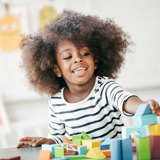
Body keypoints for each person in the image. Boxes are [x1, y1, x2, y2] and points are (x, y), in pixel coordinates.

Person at [17, 10, 160, 148]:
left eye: (85, 53)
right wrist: (48, 141)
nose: (78, 59)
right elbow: (59, 138)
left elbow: (125, 100)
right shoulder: (56, 102)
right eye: (68, 56)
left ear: (95, 60)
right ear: (57, 69)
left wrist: (143, 106)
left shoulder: (105, 88)